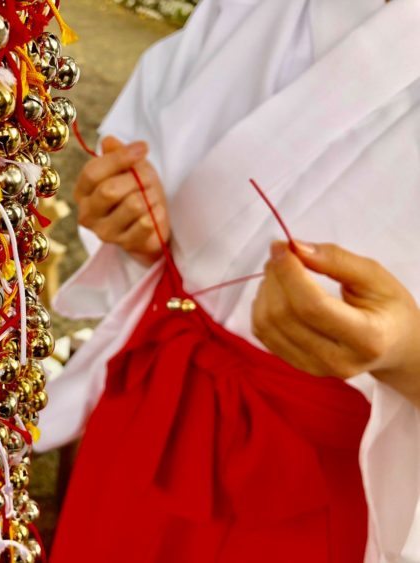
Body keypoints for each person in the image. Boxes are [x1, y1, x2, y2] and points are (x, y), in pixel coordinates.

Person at [37, 0, 420, 561]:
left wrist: (407, 354)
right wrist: (135, 221)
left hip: (314, 485)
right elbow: (150, 160)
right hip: (146, 411)